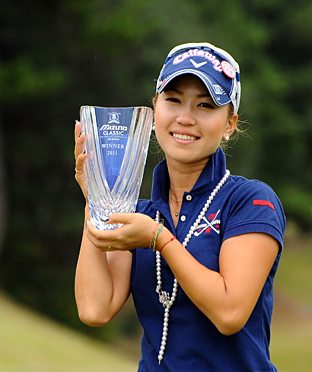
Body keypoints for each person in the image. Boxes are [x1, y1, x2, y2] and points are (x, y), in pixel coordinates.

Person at [74, 42, 285, 371]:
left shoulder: (251, 201)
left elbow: (229, 313)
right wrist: (96, 198)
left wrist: (160, 240)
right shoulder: (140, 215)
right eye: (173, 100)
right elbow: (94, 308)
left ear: (230, 123)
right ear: (154, 108)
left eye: (205, 105)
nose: (185, 118)